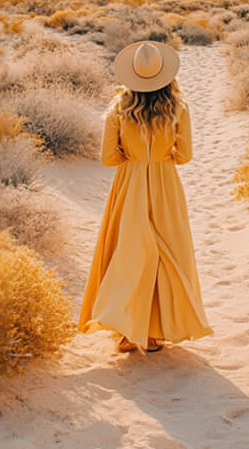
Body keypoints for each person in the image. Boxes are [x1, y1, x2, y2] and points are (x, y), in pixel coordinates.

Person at [78, 40, 213, 354]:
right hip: (166, 183)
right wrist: (162, 155)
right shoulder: (178, 107)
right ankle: (154, 332)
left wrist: (131, 153)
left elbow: (108, 159)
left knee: (130, 253)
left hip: (130, 184)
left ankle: (128, 330)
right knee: (166, 255)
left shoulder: (118, 108)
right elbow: (185, 156)